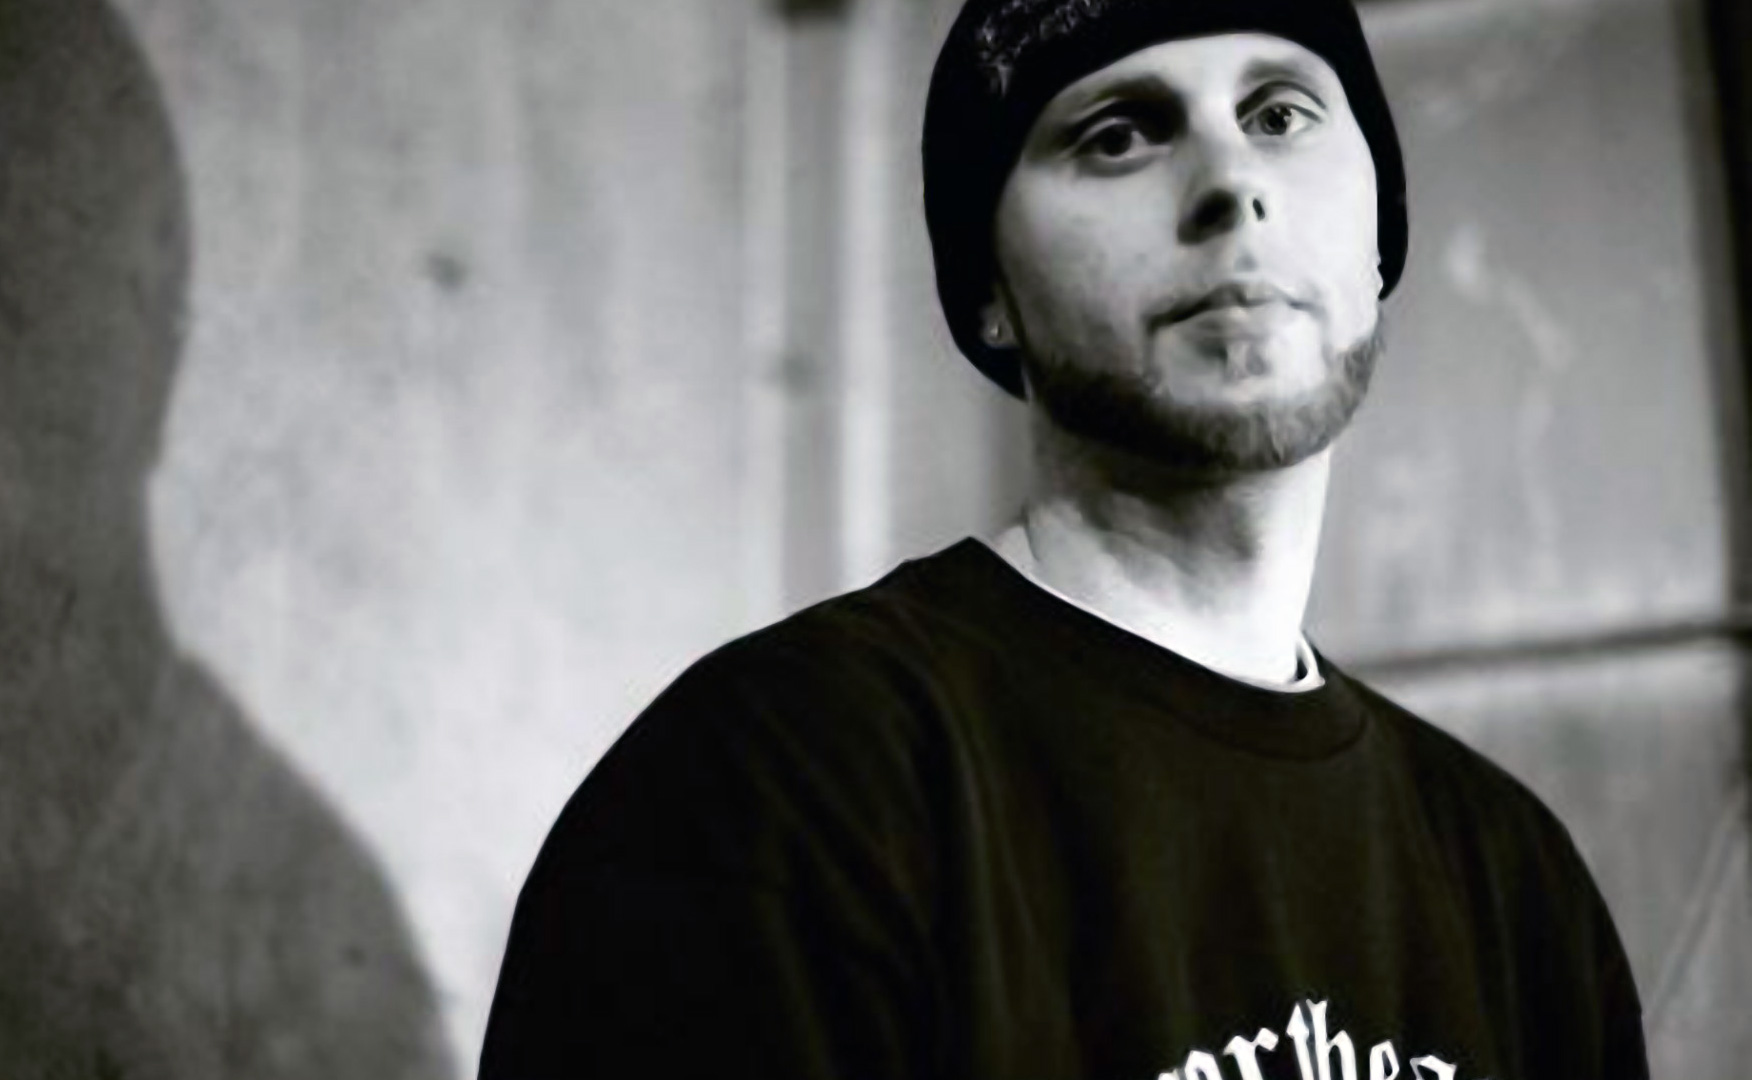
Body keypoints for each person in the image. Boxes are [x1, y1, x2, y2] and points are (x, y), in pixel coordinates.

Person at [478, 1, 1650, 1077]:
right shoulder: (780, 786)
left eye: (1279, 114)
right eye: (1119, 135)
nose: (1231, 185)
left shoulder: (1515, 881)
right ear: (990, 290)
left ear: (1379, 235)